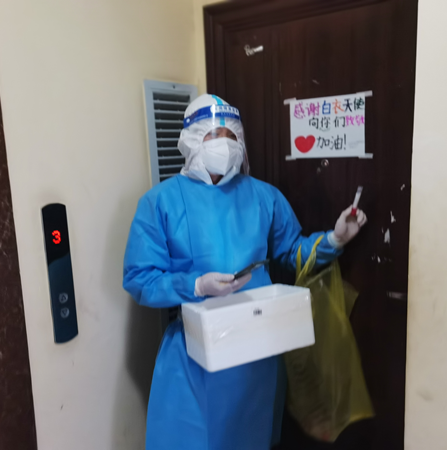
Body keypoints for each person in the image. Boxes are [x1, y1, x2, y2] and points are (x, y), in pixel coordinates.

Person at [123, 94, 367, 450]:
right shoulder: (160, 202)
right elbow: (140, 278)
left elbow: (292, 252)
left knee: (249, 437)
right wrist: (195, 285)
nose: (224, 143)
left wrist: (334, 239)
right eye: (213, 134)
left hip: (256, 349)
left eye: (231, 135)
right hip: (194, 354)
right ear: (192, 141)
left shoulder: (264, 197)